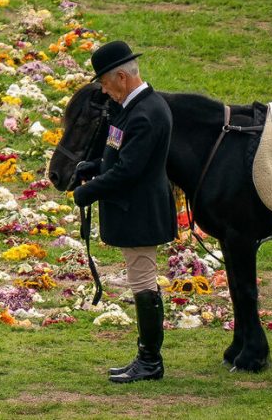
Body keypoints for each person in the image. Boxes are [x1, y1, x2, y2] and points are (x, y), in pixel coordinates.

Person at [72, 41, 177, 383]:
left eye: (104, 83)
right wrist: (93, 165)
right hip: (135, 207)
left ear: (120, 76)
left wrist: (87, 192)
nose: (104, 90)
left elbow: (129, 171)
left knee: (144, 282)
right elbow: (118, 154)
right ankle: (146, 358)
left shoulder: (147, 113)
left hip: (141, 210)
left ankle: (150, 361)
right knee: (139, 280)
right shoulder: (133, 108)